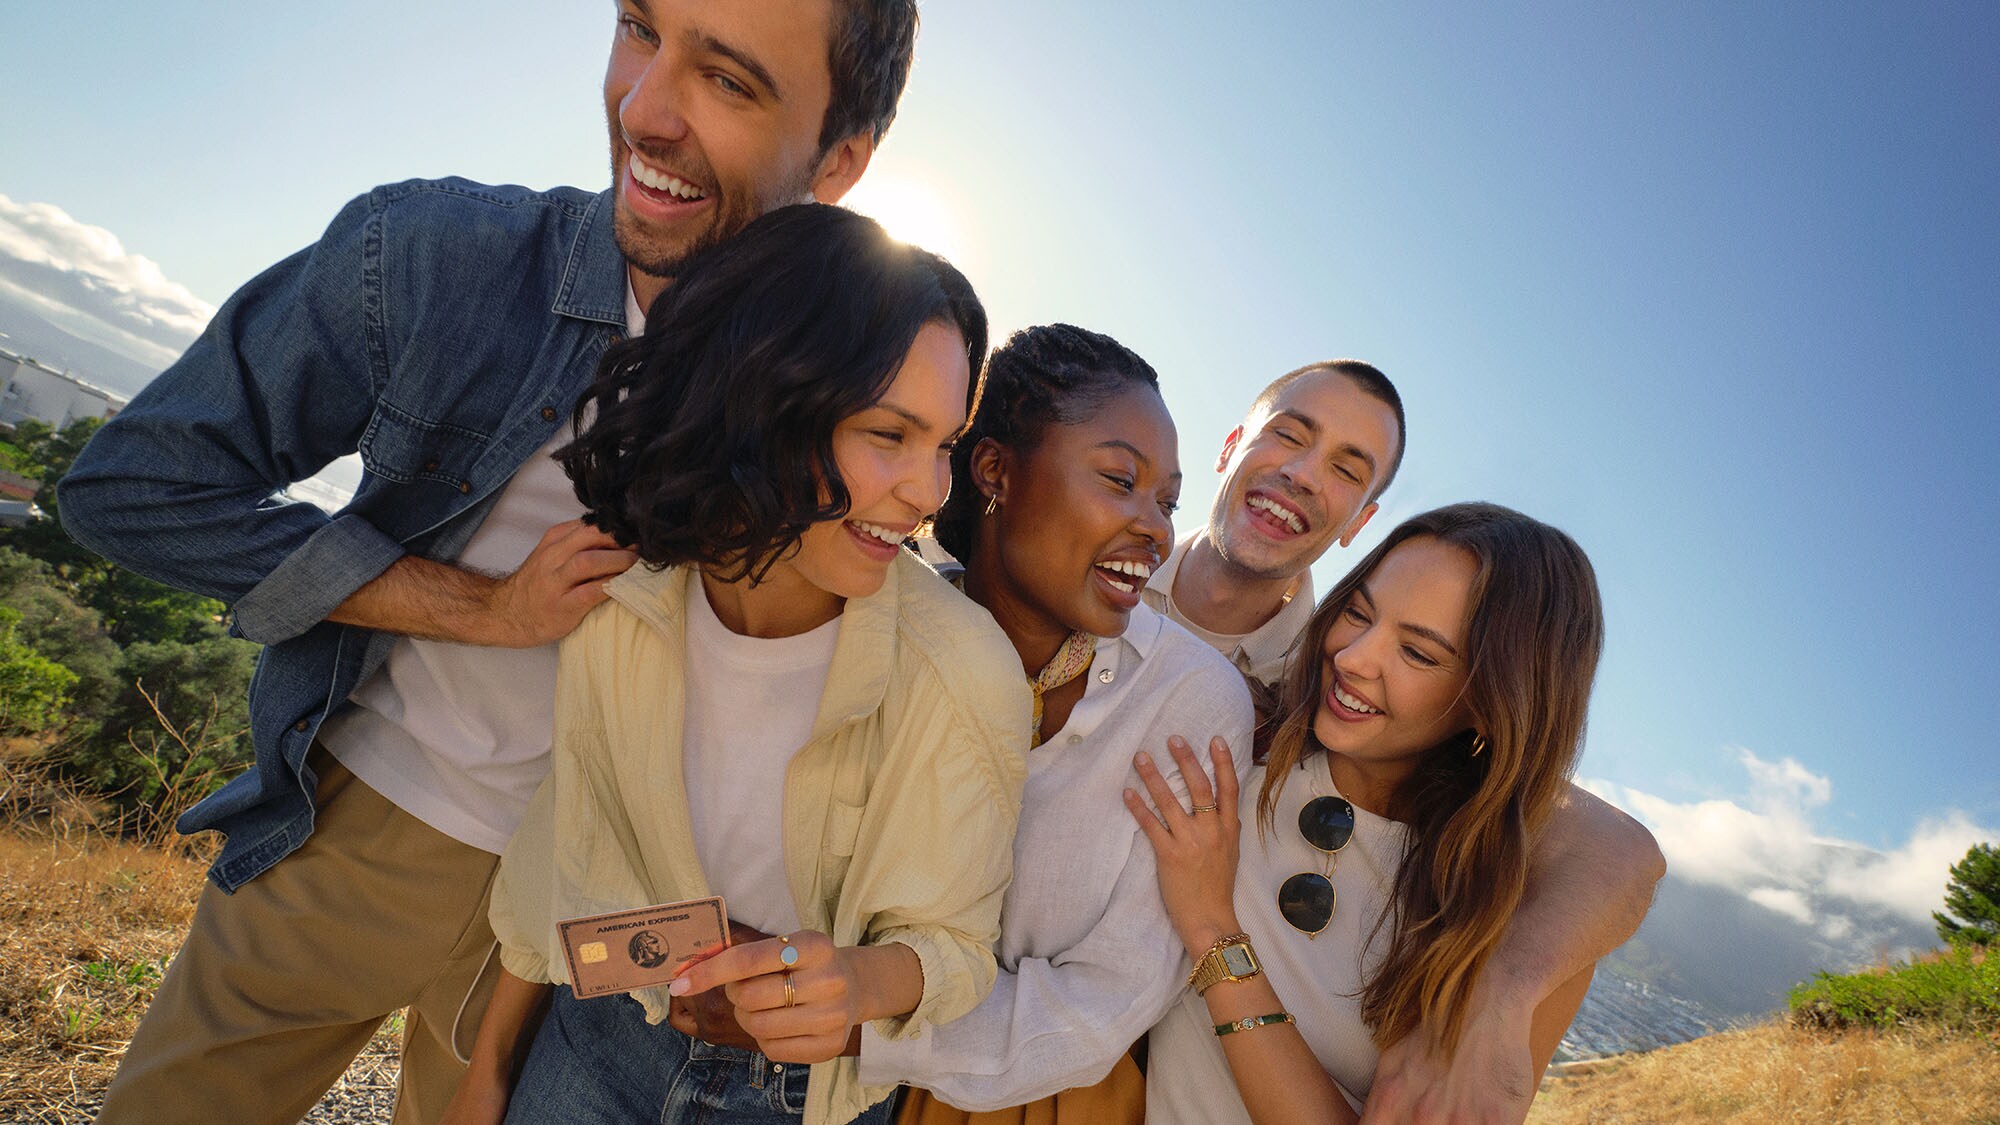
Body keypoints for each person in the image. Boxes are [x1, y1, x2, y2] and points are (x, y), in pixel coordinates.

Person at [58, 3, 924, 1121]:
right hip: (360, 837)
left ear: (840, 158)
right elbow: (135, 487)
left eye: (730, 82)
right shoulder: (432, 257)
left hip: (590, 936)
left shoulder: (862, 393)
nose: (643, 109)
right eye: (638, 30)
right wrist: (477, 607)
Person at [451, 203, 1026, 1125]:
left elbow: (956, 952)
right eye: (888, 434)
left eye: (944, 445)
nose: (926, 495)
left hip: (802, 1101)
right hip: (596, 1044)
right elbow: (565, 860)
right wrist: (487, 1073)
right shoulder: (625, 600)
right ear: (762, 399)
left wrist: (854, 984)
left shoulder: (962, 672)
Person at [1146, 362, 1664, 1119]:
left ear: (1491, 705)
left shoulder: (1507, 915)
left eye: (1419, 653)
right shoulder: (1246, 734)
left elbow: (1623, 849)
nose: (1353, 657)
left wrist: (1214, 933)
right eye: (1360, 611)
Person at [797, 324, 1253, 1123]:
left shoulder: (1191, 699)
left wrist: (860, 1027)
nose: (1155, 526)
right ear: (996, 470)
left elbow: (1112, 994)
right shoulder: (876, 613)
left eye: (1168, 500)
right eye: (1120, 478)